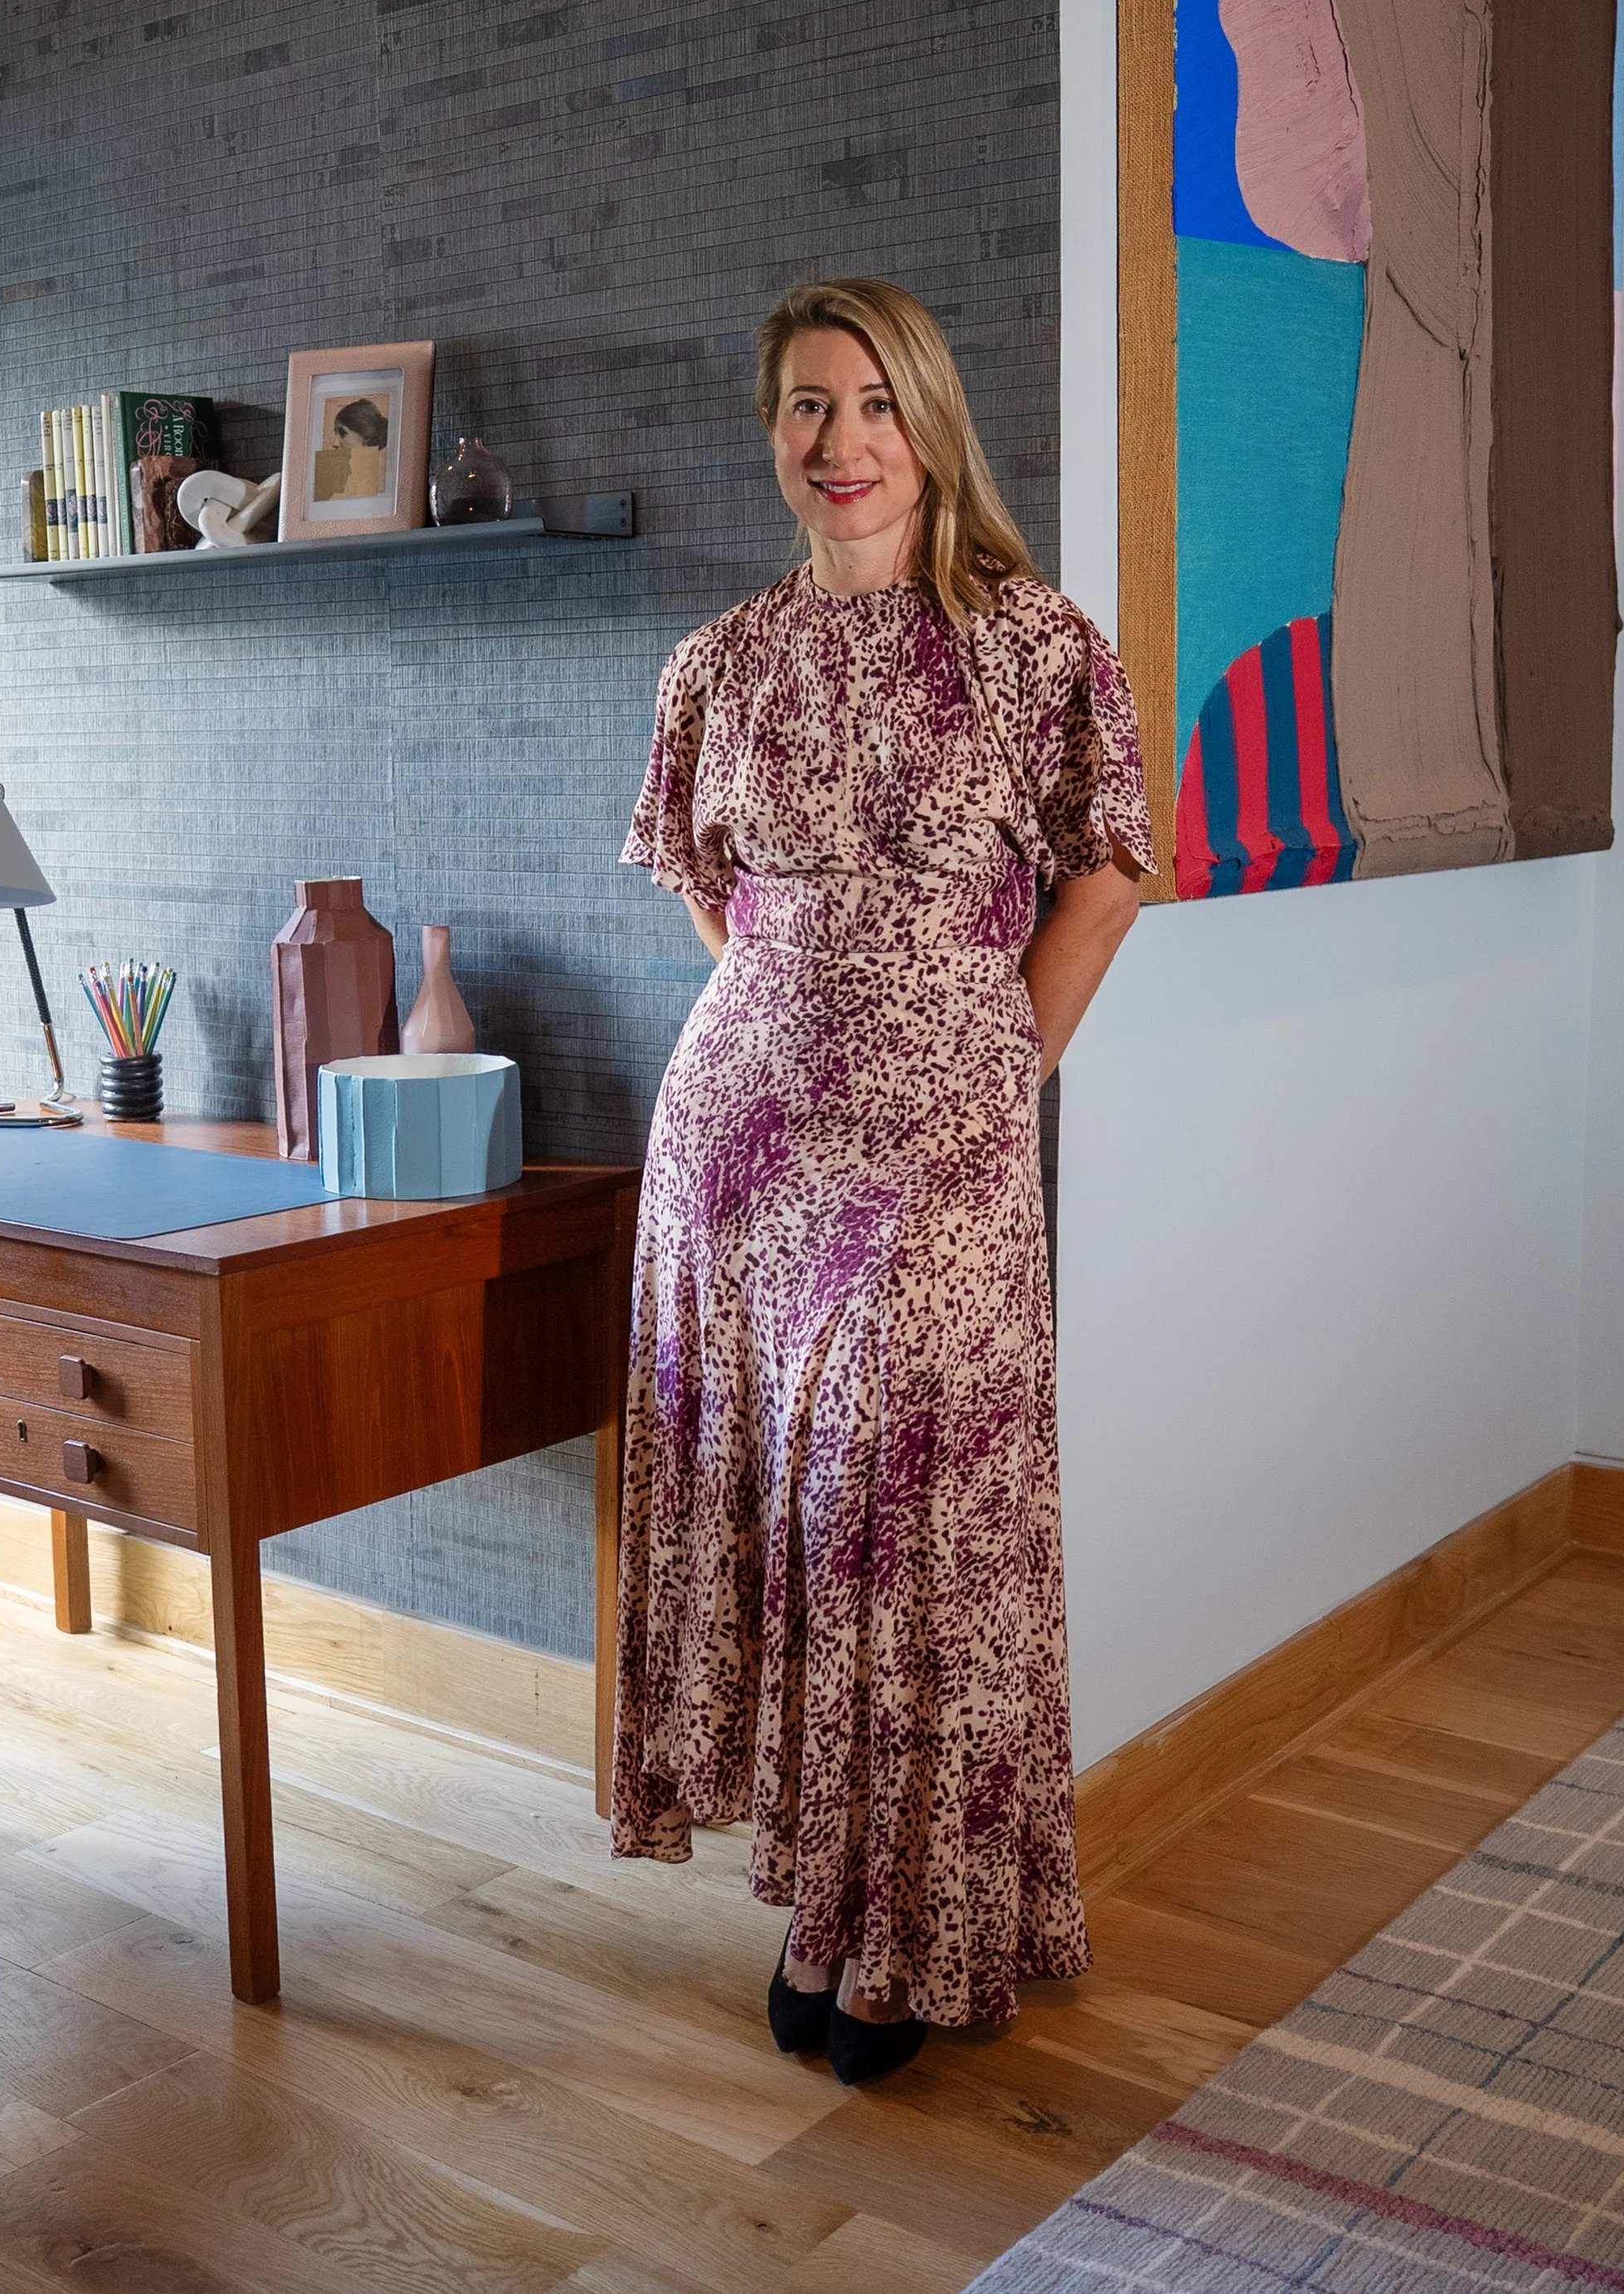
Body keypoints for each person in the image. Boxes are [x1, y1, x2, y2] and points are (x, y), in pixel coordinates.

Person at [613, 277, 1154, 2083]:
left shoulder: (1035, 644)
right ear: (771, 432)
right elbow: (710, 890)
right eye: (800, 407)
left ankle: (922, 1924)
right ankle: (821, 1898)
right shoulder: (716, 659)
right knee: (789, 1530)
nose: (835, 444)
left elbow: (1103, 875)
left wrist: (993, 1059)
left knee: (913, 1535)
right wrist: (794, 1007)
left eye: (866, 404)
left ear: (925, 420)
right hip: (729, 1164)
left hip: (943, 1153)